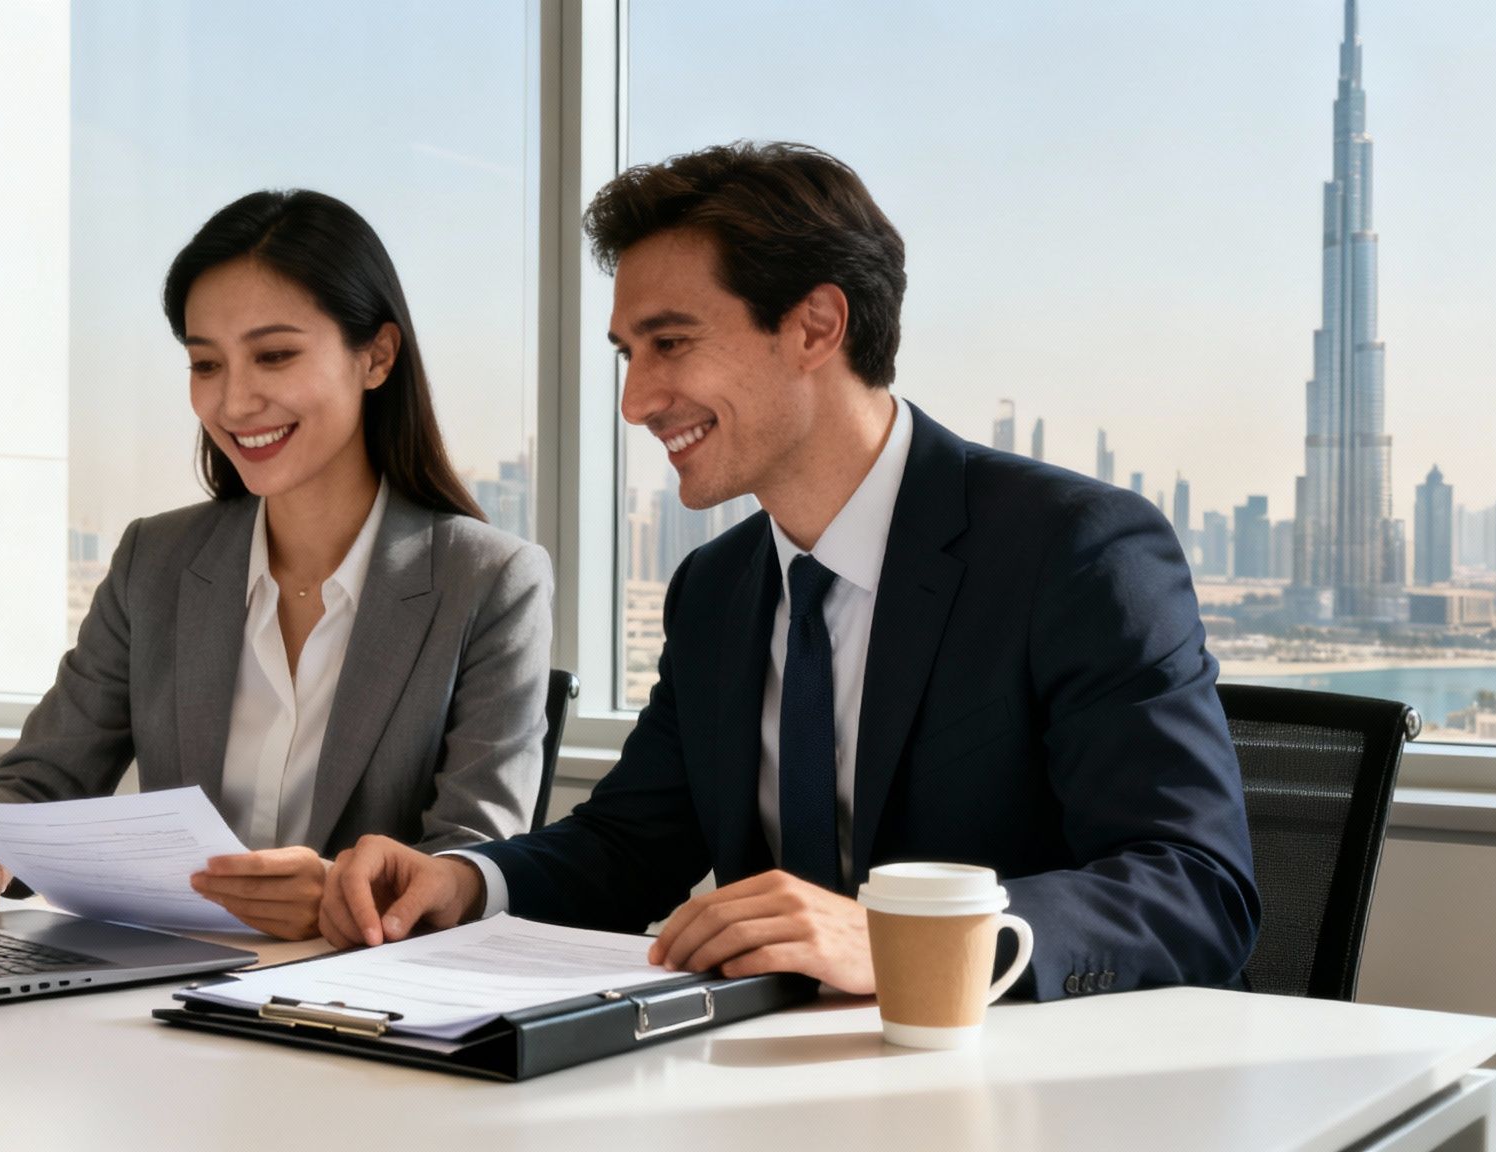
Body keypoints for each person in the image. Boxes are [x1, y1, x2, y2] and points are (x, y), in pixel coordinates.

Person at [322, 142, 1259, 1001]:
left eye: (671, 342)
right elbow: (630, 847)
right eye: (627, 354)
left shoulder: (1073, 548)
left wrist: (904, 939)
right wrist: (461, 881)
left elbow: (1194, 887)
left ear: (815, 326)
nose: (637, 400)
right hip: (775, 1083)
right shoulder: (717, 591)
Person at [0, 190, 554, 941]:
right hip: (160, 990)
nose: (235, 400)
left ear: (376, 356)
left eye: (274, 355)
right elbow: (42, 778)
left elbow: (471, 859)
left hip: (360, 1008)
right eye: (205, 363)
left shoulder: (489, 580)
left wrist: (339, 901)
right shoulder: (155, 561)